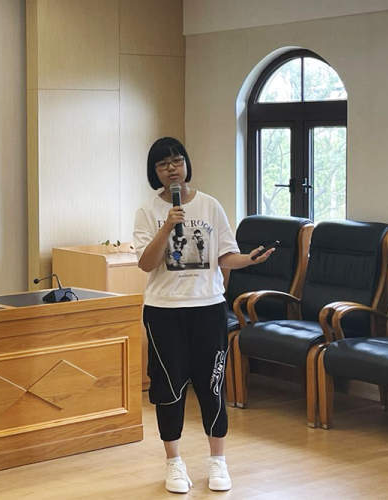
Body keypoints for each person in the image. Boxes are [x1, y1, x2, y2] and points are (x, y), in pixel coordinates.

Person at [132, 137, 274, 493]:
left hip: (208, 307)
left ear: (186, 164)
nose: (172, 169)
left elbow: (227, 256)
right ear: (155, 173)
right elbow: (146, 263)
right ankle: (174, 463)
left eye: (177, 161)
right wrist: (167, 227)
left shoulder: (211, 206)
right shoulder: (148, 212)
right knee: (169, 388)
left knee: (211, 385)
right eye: (163, 165)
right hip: (164, 311)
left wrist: (251, 259)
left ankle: (218, 462)